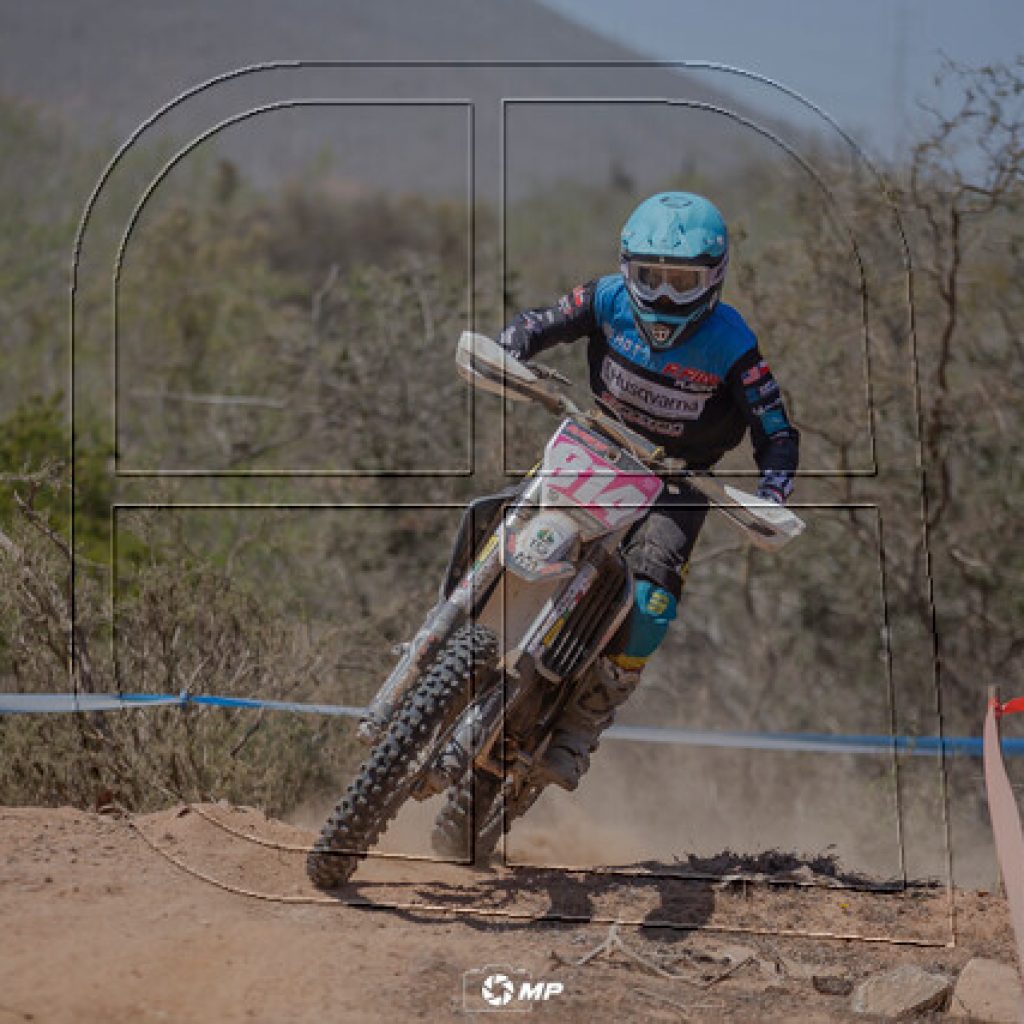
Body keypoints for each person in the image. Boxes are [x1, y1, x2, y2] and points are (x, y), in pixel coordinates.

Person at [496, 191, 800, 791]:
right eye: (649, 277)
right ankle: (459, 632)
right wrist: (509, 348)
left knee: (652, 599)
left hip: (679, 481)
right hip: (598, 446)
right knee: (506, 517)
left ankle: (585, 719)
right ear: (625, 266)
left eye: (681, 282)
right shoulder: (606, 297)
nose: (662, 296)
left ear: (713, 280)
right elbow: (540, 322)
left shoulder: (733, 342)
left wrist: (772, 492)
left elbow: (777, 431)